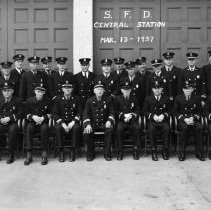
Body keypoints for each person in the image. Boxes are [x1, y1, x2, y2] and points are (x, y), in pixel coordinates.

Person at [83, 80, 115, 161]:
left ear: (104, 91)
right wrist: (88, 124)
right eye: (97, 89)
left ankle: (107, 153)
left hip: (104, 123)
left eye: (101, 89)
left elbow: (112, 112)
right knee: (88, 131)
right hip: (93, 123)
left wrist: (109, 121)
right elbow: (86, 114)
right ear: (94, 91)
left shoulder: (108, 99)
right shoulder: (90, 100)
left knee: (109, 130)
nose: (99, 91)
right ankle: (90, 154)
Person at [173, 80, 205, 161]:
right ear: (183, 90)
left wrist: (193, 118)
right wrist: (184, 119)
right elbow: (175, 112)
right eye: (186, 89)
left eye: (189, 89)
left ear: (192, 89)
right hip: (183, 121)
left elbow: (200, 111)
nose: (187, 90)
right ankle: (182, 153)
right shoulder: (178, 98)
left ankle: (199, 153)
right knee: (184, 128)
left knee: (200, 127)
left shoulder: (196, 98)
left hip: (193, 120)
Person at [53, 80, 82, 162]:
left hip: (72, 122)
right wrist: (63, 124)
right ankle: (61, 151)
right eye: (65, 88)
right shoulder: (58, 99)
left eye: (69, 88)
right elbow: (55, 113)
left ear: (72, 89)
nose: (67, 90)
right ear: (62, 89)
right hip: (62, 122)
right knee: (58, 128)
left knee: (76, 128)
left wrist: (73, 122)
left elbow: (79, 112)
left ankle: (73, 150)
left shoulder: (76, 99)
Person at [142, 80, 171, 161]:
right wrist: (152, 115)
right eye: (155, 88)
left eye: (159, 88)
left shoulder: (166, 98)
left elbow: (169, 111)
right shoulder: (148, 98)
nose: (157, 90)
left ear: (161, 89)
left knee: (167, 129)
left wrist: (163, 115)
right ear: (152, 89)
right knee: (151, 130)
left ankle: (165, 150)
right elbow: (144, 111)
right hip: (152, 121)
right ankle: (153, 151)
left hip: (163, 120)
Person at [24, 82, 51, 165]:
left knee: (45, 128)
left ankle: (44, 153)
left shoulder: (48, 100)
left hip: (43, 122)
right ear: (35, 91)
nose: (40, 93)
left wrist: (43, 118)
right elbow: (25, 113)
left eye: (42, 92)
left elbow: (51, 113)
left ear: (44, 92)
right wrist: (33, 117)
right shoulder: (29, 100)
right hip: (32, 122)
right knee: (29, 128)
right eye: (38, 91)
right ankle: (29, 154)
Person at [114, 81, 141, 160]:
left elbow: (138, 110)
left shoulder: (134, 98)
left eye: (128, 90)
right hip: (121, 121)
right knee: (119, 129)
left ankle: (135, 150)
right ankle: (120, 151)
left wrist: (131, 116)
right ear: (122, 90)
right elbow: (115, 111)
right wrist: (123, 116)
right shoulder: (117, 99)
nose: (126, 92)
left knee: (137, 128)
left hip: (132, 121)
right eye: (124, 90)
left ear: (130, 90)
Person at [0, 82, 23, 164]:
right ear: (2, 92)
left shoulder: (17, 100)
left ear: (12, 91)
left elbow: (20, 113)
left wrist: (9, 118)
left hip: (13, 122)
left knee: (13, 130)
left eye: (8, 90)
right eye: (4, 91)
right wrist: (1, 119)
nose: (6, 92)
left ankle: (11, 154)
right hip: (2, 122)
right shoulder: (0, 99)